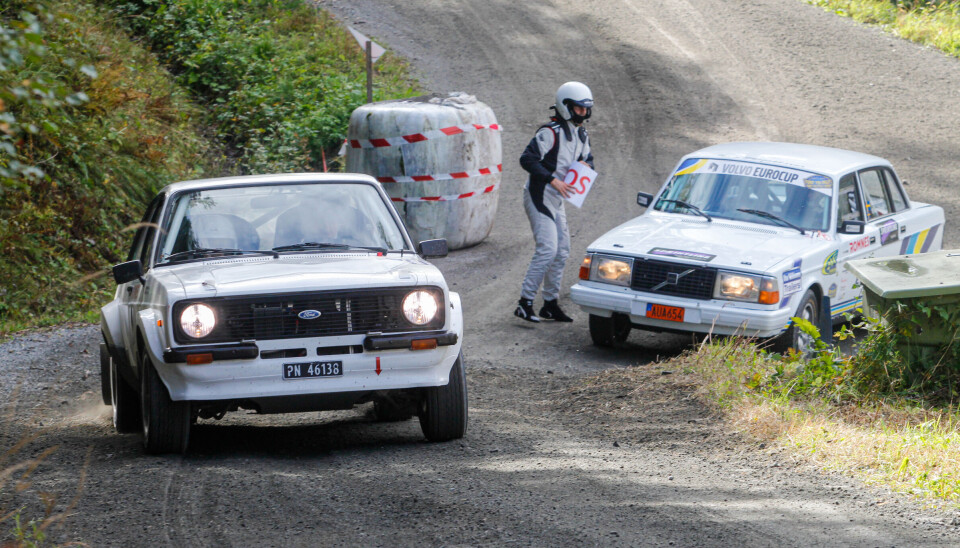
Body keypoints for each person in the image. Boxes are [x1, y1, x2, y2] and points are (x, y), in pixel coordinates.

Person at [515, 81, 594, 323]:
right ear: (566, 106)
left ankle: (549, 304)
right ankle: (524, 302)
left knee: (562, 251)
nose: (583, 113)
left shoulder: (581, 135)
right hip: (539, 196)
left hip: (555, 199)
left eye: (585, 109)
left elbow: (589, 159)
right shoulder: (549, 133)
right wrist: (552, 180)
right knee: (548, 248)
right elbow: (527, 159)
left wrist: (587, 166)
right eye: (579, 109)